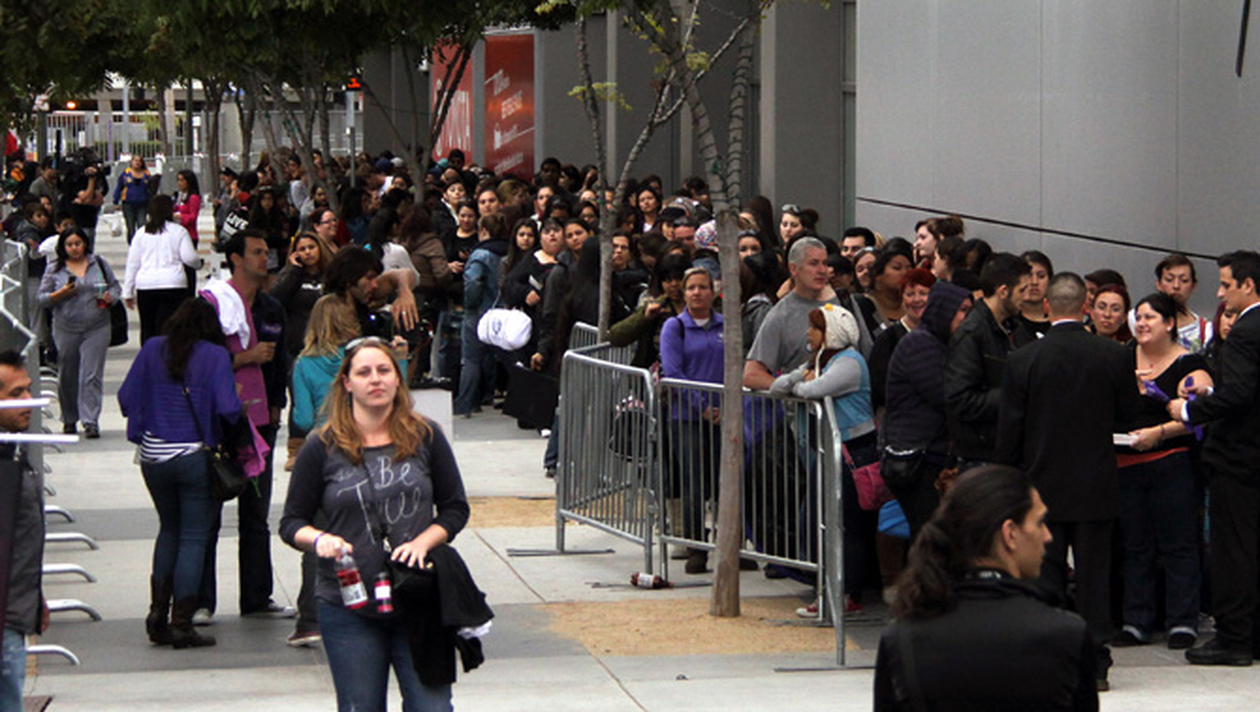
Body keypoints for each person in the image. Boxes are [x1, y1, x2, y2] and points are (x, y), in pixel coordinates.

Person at [280, 339, 472, 712]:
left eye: (384, 370)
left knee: (431, 706)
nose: (375, 380)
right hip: (348, 603)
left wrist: (424, 542)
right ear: (347, 383)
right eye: (364, 372)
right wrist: (319, 539)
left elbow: (454, 508)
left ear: (398, 379)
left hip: (418, 596)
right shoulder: (321, 446)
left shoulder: (426, 436)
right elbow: (292, 522)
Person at [995, 273, 1138, 689]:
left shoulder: (1024, 359)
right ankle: (1096, 661)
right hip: (1096, 483)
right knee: (1095, 576)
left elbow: (1010, 431)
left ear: (1047, 307)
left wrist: (1007, 482)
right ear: (1086, 307)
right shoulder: (1113, 356)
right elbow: (1128, 415)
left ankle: (1049, 655)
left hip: (1041, 485)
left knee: (1044, 574)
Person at [874, 466, 1098, 711]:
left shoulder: (902, 639)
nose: (1047, 536)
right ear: (1010, 533)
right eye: (1040, 522)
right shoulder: (1066, 634)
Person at [118, 298, 242, 649]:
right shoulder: (215, 356)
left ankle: (157, 614)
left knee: (169, 529)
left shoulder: (152, 349)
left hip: (153, 456)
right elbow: (228, 409)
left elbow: (126, 398)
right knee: (193, 537)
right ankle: (183, 623)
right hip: (193, 455)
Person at [1167, 250, 1260, 666]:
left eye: (1226, 284)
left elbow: (1239, 394)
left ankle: (1234, 638)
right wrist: (1212, 392)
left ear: (1248, 285)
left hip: (1237, 458)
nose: (1220, 293)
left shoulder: (1244, 332)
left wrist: (1190, 410)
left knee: (1233, 551)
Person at [198, 229, 292, 621]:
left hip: (260, 423)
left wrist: (277, 404)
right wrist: (244, 358)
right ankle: (200, 600)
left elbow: (281, 360)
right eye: (256, 252)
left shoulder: (271, 309)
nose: (264, 258)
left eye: (266, 252)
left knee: (256, 513)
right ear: (235, 259)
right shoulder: (212, 305)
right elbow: (197, 360)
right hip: (218, 422)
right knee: (208, 512)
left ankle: (256, 597)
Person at [1110, 292, 1211, 650]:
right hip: (1125, 464)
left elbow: (1200, 412)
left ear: (1169, 323)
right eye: (1138, 317)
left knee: (1179, 544)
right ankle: (1136, 620)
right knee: (1135, 546)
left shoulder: (1188, 363)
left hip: (1171, 463)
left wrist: (1159, 433)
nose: (1141, 324)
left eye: (1150, 317)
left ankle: (1182, 620)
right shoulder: (1121, 359)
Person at [770, 303, 878, 614]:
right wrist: (799, 378)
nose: (809, 333)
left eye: (816, 328)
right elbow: (778, 387)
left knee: (847, 525)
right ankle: (830, 589)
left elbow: (811, 390)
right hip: (831, 451)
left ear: (832, 333)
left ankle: (845, 593)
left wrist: (800, 383)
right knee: (823, 520)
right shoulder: (820, 361)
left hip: (853, 452)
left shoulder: (849, 363)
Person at [882, 281, 973, 540]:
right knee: (930, 535)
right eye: (962, 310)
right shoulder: (920, 345)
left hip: (934, 456)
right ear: (944, 310)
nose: (967, 318)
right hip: (916, 460)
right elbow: (946, 396)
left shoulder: (944, 344)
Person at [659, 267, 724, 574]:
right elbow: (674, 372)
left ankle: (731, 542)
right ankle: (696, 546)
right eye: (691, 288)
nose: (697, 293)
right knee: (694, 483)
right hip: (686, 417)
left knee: (725, 481)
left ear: (713, 291)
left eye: (703, 287)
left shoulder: (726, 326)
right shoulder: (675, 327)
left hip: (724, 417)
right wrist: (702, 407)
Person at [944, 253, 1033, 469]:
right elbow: (960, 401)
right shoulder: (972, 334)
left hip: (1010, 452)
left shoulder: (1016, 328)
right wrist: (1014, 394)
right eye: (1022, 290)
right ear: (1003, 291)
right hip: (982, 457)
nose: (1026, 297)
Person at [38, 227, 122, 439]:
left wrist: (111, 297)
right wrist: (61, 293)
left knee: (91, 374)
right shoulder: (54, 268)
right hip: (66, 327)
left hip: (97, 326)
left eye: (78, 244)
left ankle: (90, 420)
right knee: (68, 373)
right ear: (63, 247)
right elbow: (42, 299)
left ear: (85, 244)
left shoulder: (98, 263)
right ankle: (69, 417)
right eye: (69, 245)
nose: (74, 248)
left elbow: (115, 287)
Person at [0, 351, 47, 712]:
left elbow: (20, 536)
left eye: (29, 390)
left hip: (16, 611)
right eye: (16, 394)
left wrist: (36, 596)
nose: (28, 401)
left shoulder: (14, 451)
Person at [744, 238, 841, 390]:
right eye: (814, 263)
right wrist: (793, 389)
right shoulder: (780, 314)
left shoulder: (844, 301)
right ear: (793, 269)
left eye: (825, 263)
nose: (822, 270)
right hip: (804, 403)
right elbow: (751, 375)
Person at [123, 195, 202, 343]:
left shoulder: (141, 233)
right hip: (173, 284)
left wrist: (128, 291)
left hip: (146, 285)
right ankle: (170, 355)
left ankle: (149, 354)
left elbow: (133, 263)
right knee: (171, 327)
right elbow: (189, 258)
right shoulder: (179, 231)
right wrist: (198, 265)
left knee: (148, 327)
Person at [454, 212, 509, 416]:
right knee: (504, 357)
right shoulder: (510, 252)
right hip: (504, 312)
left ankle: (466, 403)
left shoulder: (479, 255)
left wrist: (470, 304)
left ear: (483, 231)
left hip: (479, 311)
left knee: (471, 359)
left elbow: (473, 282)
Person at [868, 268, 935, 413]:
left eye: (923, 293)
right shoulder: (888, 339)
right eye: (910, 294)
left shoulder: (941, 334)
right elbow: (878, 387)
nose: (917, 300)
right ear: (902, 298)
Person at [1131, 254, 1212, 353]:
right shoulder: (1136, 318)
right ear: (1158, 284)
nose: (1176, 286)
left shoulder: (1204, 330)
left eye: (1184, 281)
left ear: (1193, 286)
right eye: (1169, 280)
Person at [113, 155, 153, 242]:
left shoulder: (146, 174)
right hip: (128, 204)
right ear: (131, 162)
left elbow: (151, 189)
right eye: (135, 160)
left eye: (139, 161)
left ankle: (142, 244)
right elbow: (119, 187)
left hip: (142, 204)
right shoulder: (126, 174)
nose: (137, 163)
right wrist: (115, 200)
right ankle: (132, 244)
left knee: (142, 225)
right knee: (130, 227)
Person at [1018, 250, 1054, 336]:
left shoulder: (1059, 322)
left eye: (1041, 276)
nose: (1034, 282)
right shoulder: (1008, 322)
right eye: (1028, 276)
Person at [173, 170, 202, 246]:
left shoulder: (193, 197)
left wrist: (179, 216)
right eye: (178, 180)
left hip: (189, 235)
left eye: (182, 180)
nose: (179, 183)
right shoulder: (181, 196)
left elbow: (193, 217)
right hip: (179, 233)